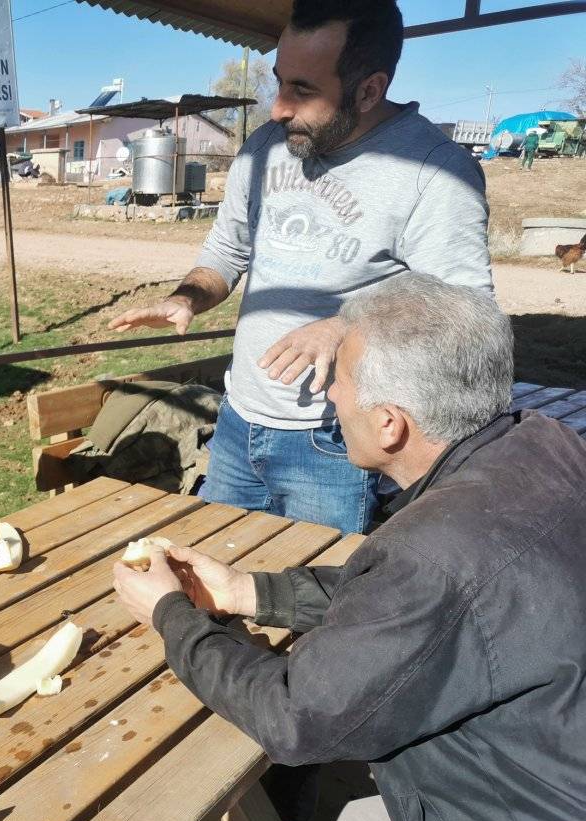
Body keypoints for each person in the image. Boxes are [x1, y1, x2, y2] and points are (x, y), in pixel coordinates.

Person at [113, 273, 586, 821]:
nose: (331, 394)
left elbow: (295, 719)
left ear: (390, 423)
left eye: (341, 377)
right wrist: (245, 592)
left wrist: (172, 615)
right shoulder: (540, 442)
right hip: (556, 770)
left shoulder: (435, 549)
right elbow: (415, 598)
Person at [108, 0, 492, 536]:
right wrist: (187, 297)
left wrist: (345, 326)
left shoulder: (434, 172)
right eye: (279, 82)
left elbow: (463, 311)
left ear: (368, 89)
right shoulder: (266, 147)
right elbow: (228, 249)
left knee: (310, 602)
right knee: (215, 571)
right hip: (239, 422)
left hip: (333, 443)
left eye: (303, 90)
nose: (278, 109)